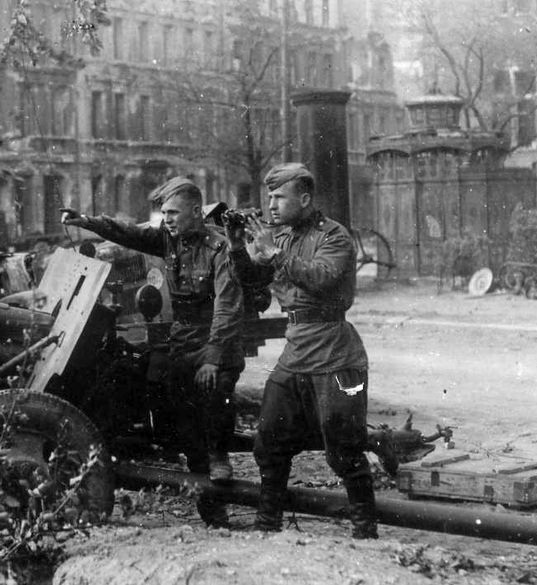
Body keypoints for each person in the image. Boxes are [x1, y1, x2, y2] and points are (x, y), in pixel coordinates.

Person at [62, 177, 246, 486]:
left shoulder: (219, 249)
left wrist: (212, 358)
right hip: (183, 340)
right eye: (164, 214)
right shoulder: (168, 240)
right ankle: (203, 479)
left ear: (196, 211)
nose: (167, 220)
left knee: (214, 393)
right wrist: (87, 222)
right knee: (177, 409)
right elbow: (129, 233)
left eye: (173, 213)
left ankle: (219, 455)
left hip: (217, 342)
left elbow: (227, 307)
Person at [238, 162, 377, 539]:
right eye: (269, 197)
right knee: (268, 441)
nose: (271, 204)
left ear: (304, 198)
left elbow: (322, 278)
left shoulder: (334, 236)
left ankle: (366, 531)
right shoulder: (280, 238)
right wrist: (240, 250)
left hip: (334, 353)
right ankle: (267, 524)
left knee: (344, 450)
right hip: (296, 349)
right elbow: (254, 287)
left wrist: (274, 254)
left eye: (279, 197)